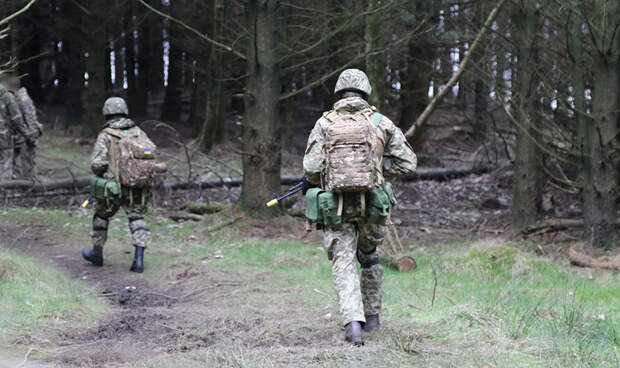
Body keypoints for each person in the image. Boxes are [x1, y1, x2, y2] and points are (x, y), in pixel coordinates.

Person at [302, 69, 417, 345]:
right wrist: (377, 173)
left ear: (339, 93)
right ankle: (374, 319)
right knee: (370, 256)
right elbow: (408, 163)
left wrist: (330, 177)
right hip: (372, 203)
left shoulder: (324, 123)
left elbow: (310, 168)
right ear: (365, 92)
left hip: (336, 206)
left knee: (343, 260)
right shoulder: (380, 121)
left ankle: (353, 325)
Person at [82, 97, 159, 273]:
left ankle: (97, 254)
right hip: (137, 187)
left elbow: (97, 164)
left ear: (107, 113)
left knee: (101, 217)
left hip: (112, 188)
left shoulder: (107, 135)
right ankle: (138, 260)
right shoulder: (139, 132)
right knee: (136, 218)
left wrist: (102, 171)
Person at [7, 76, 43, 179]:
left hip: (26, 137)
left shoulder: (23, 99)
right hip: (19, 137)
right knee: (12, 162)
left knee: (28, 164)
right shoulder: (16, 98)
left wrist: (30, 137)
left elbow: (30, 118)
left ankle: (31, 186)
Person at [0, 74, 31, 180]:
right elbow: (16, 118)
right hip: (3, 136)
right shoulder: (7, 96)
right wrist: (26, 134)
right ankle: (4, 191)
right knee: (5, 161)